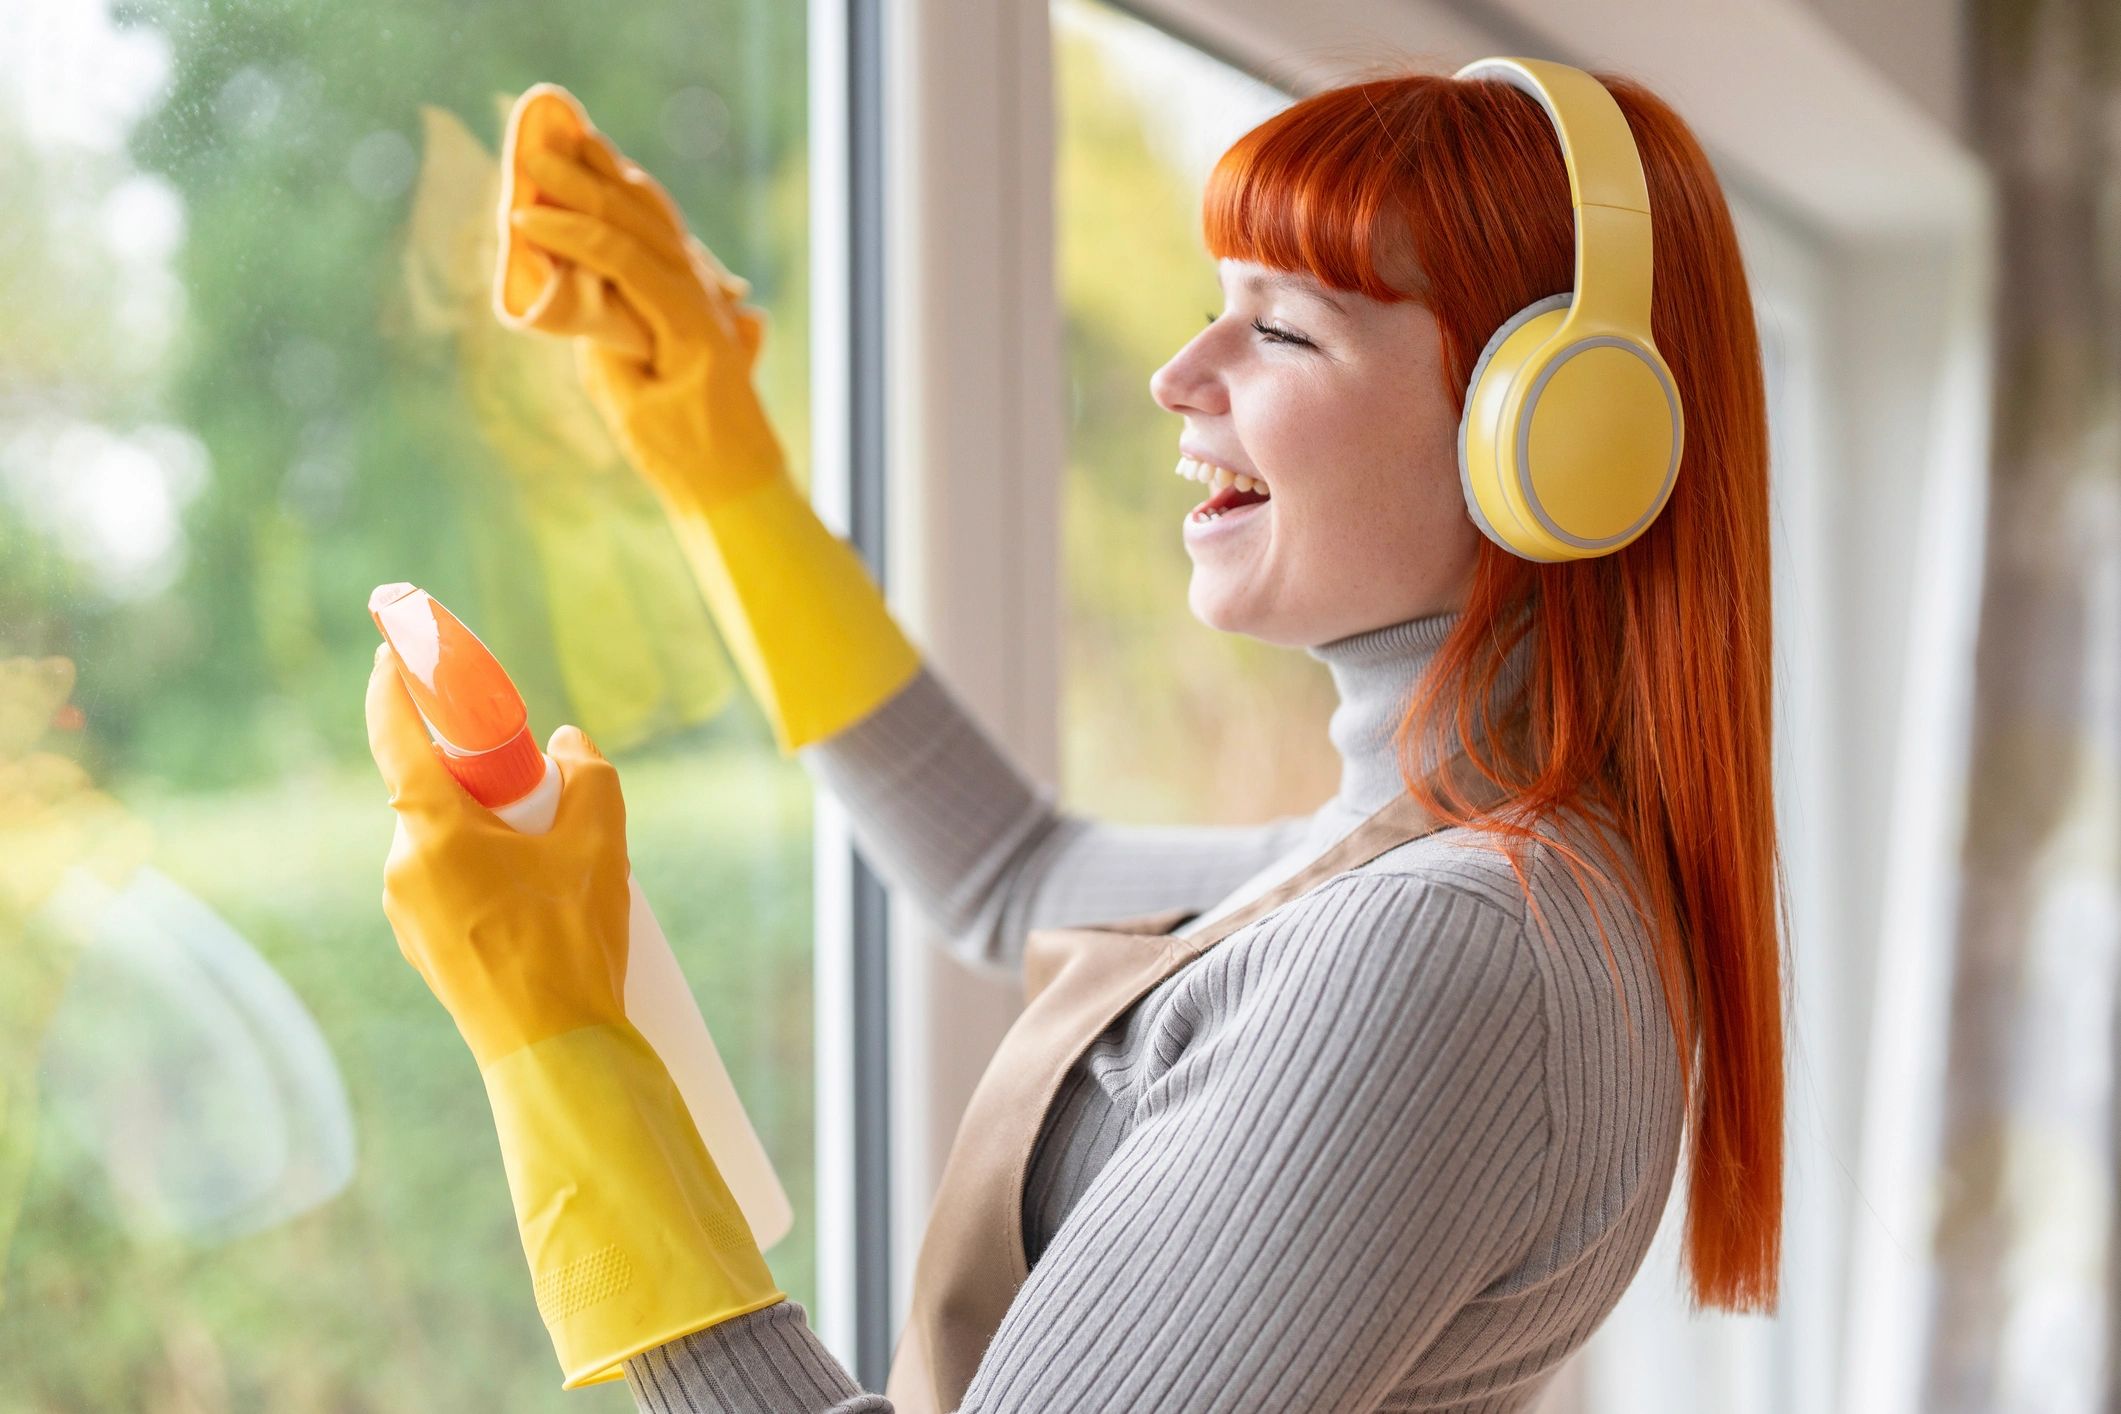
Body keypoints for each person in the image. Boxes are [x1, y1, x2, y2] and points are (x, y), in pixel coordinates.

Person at [365, 56, 1787, 1412]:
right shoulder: (1444, 867)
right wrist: (710, 448)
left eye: (1281, 328)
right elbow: (1006, 867)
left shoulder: (1453, 943)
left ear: (1553, 436)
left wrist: (559, 1052)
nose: (1180, 371)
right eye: (1219, 305)